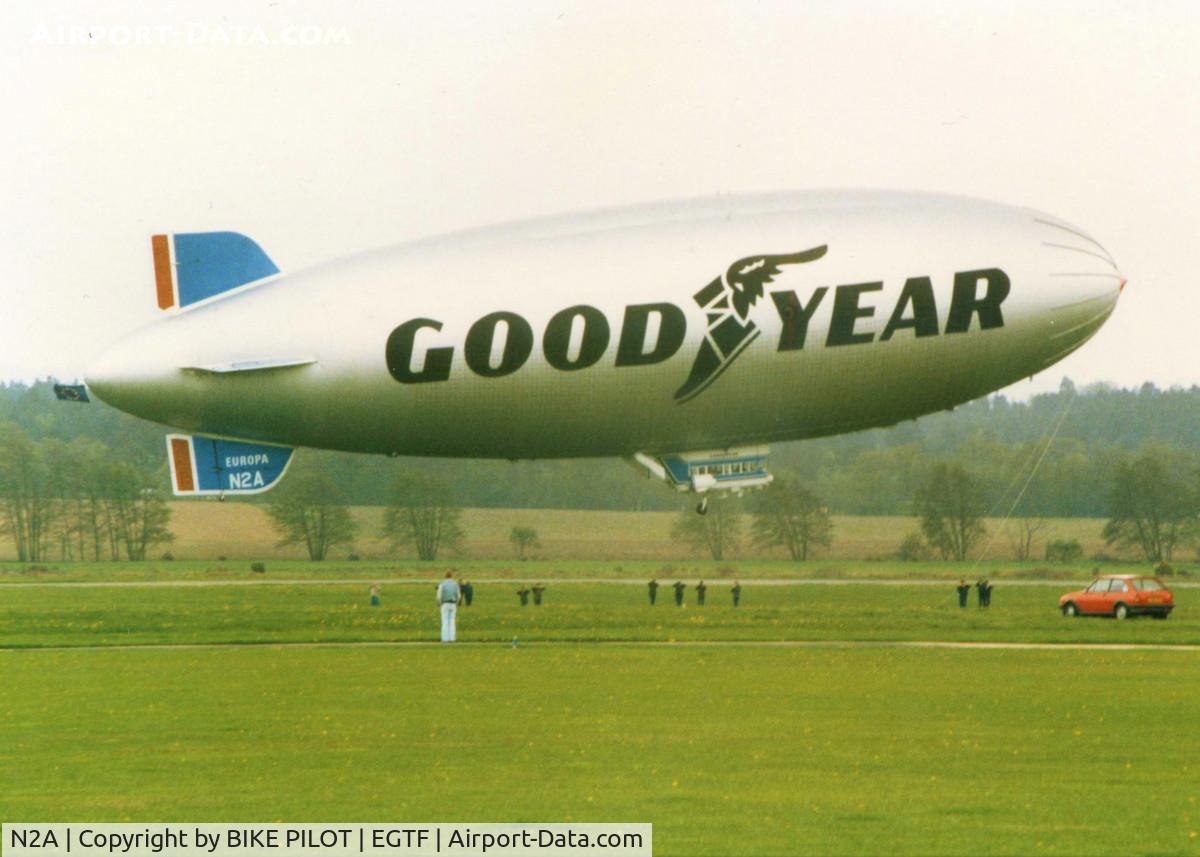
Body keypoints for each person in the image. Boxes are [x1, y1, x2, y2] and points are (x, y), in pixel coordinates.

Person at [437, 571, 460, 642]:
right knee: (452, 621)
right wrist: (457, 602)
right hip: (453, 604)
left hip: (445, 603)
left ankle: (445, 638)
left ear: (445, 576)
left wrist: (439, 602)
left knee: (445, 621)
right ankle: (452, 638)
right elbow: (458, 595)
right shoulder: (455, 584)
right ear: (452, 576)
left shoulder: (442, 584)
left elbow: (439, 595)